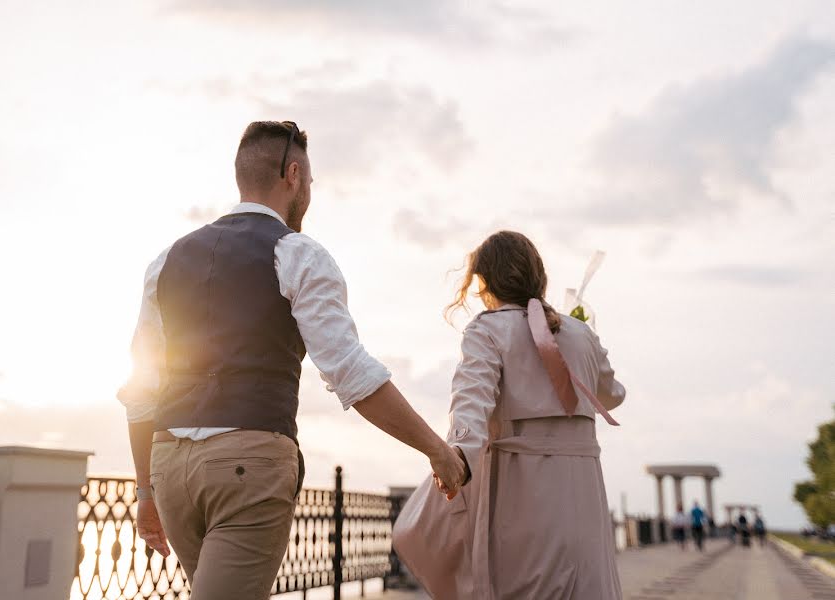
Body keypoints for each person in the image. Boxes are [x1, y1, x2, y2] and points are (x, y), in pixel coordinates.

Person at [117, 121, 466, 600]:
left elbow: (140, 391)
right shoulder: (297, 253)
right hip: (248, 466)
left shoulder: (166, 261)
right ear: (294, 175)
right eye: (311, 184)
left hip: (169, 468)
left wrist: (144, 491)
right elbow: (351, 372)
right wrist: (437, 450)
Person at [393, 231, 626, 599]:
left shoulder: (487, 329)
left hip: (524, 494)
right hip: (584, 495)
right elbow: (613, 396)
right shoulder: (581, 333)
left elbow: (471, 403)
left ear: (485, 281)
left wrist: (458, 459)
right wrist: (584, 343)